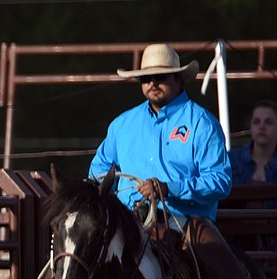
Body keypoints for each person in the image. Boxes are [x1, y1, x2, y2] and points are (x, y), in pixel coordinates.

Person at [89, 43, 232, 231]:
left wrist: (169, 188)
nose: (152, 83)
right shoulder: (122, 124)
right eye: (146, 78)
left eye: (160, 77)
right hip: (127, 222)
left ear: (178, 78)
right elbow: (99, 171)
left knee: (212, 254)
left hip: (184, 222)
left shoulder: (202, 123)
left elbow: (220, 181)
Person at [229, 99, 277, 186]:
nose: (261, 127)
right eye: (256, 122)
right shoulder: (231, 160)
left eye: (268, 122)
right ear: (250, 126)